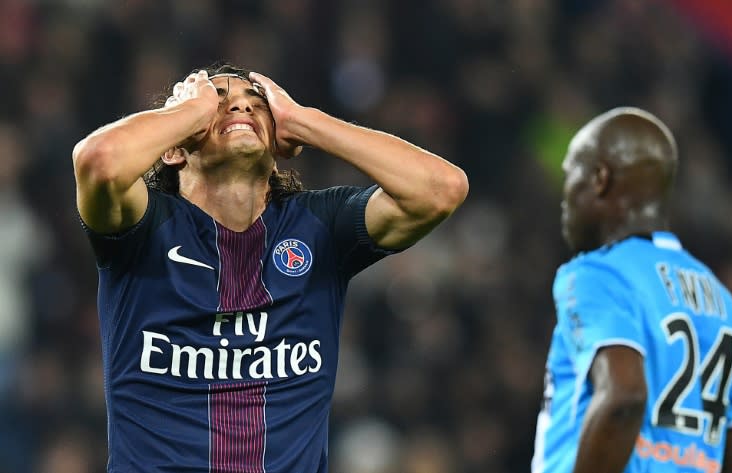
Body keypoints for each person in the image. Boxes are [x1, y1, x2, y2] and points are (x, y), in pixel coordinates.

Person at [72, 63, 468, 472]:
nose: (240, 108)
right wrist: (186, 113)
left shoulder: (319, 229)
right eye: (219, 102)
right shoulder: (144, 229)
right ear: (174, 148)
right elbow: (98, 161)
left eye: (255, 104)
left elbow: (441, 189)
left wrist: (304, 120)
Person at [531, 107, 732, 473]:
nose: (564, 196)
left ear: (600, 179)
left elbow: (624, 396)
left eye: (570, 173)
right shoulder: (724, 302)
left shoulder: (598, 274)